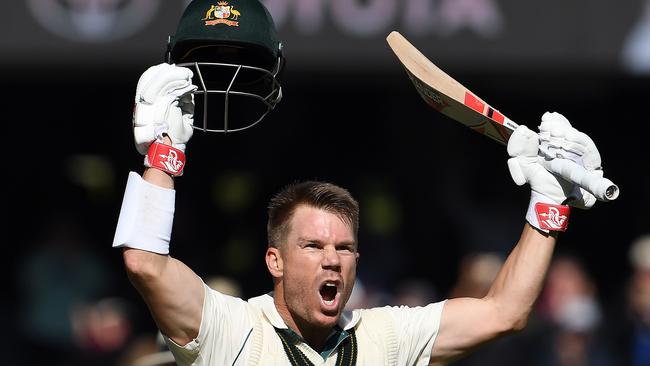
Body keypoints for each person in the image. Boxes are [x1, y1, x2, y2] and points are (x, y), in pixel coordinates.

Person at [113, 0, 612, 364]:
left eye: (344, 248)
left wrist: (548, 204)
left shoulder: (386, 337)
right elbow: (145, 264)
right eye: (312, 245)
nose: (332, 258)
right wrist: (163, 155)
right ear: (275, 261)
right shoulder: (231, 330)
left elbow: (504, 312)